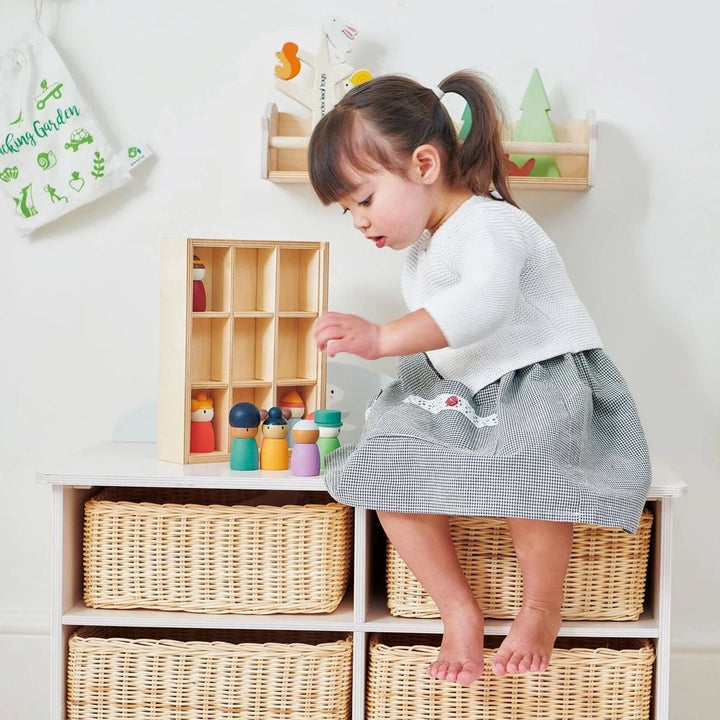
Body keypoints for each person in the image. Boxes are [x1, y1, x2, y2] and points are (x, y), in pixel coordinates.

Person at [307, 70, 651, 686]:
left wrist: (383, 338)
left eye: (363, 199)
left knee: (533, 459)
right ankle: (457, 610)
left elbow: (485, 303)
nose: (358, 221)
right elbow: (447, 336)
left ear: (423, 163)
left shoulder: (493, 223)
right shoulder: (424, 246)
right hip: (460, 388)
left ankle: (541, 607)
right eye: (346, 211)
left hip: (536, 378)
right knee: (386, 461)